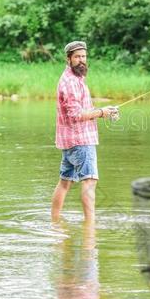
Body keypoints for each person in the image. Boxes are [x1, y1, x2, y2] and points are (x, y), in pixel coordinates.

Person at [51, 41, 118, 221]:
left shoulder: (76, 78)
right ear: (68, 59)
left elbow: (83, 108)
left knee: (65, 182)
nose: (81, 60)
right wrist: (101, 113)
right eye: (77, 57)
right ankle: (90, 225)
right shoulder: (71, 82)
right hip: (80, 141)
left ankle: (55, 221)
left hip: (69, 141)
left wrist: (105, 111)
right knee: (89, 181)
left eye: (84, 56)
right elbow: (75, 115)